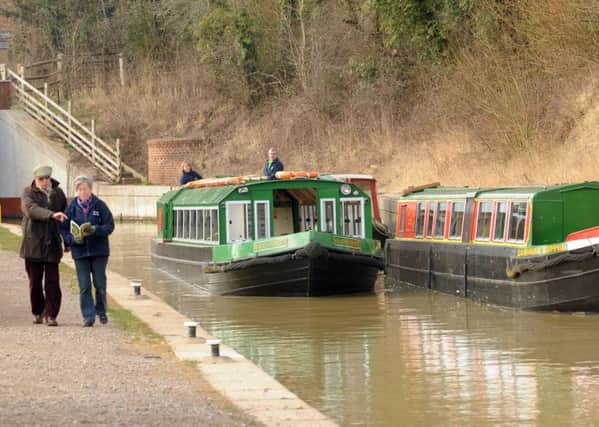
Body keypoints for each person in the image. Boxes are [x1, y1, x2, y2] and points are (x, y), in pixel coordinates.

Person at [61, 175, 115, 327]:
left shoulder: (100, 206)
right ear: (76, 191)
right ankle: (88, 316)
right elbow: (64, 229)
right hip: (80, 253)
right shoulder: (71, 208)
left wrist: (95, 229)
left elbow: (110, 226)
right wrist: (72, 240)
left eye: (85, 188)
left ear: (90, 189)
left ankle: (101, 310)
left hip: (99, 252)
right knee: (84, 285)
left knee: (100, 284)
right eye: (79, 189)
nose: (82, 192)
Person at [20, 165, 68, 327]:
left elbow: (65, 218)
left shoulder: (58, 193)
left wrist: (67, 242)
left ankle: (51, 314)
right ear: (35, 179)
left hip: (52, 243)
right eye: (41, 179)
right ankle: (37, 311)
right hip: (33, 243)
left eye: (47, 178)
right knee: (35, 281)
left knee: (53, 282)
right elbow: (31, 210)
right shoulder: (28, 192)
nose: (45, 181)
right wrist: (51, 215)